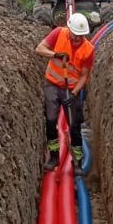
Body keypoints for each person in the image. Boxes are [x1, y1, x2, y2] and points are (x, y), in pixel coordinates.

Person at [36, 12, 94, 172]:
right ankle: (54, 156)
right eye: (75, 35)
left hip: (71, 89)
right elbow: (39, 49)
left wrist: (75, 93)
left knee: (74, 126)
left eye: (81, 36)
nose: (77, 39)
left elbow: (84, 76)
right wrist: (55, 54)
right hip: (52, 84)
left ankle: (77, 161)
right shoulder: (58, 34)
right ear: (69, 30)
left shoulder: (88, 50)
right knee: (51, 121)